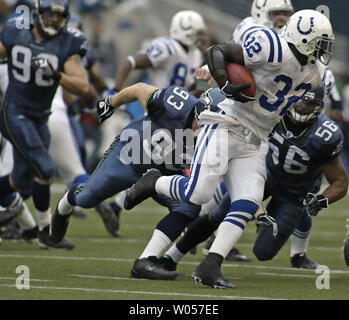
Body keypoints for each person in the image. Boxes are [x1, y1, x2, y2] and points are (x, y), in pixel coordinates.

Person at [124, 9, 335, 288]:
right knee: (197, 194)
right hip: (225, 123)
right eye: (320, 42)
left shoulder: (316, 73)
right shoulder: (271, 46)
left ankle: (211, 264)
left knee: (247, 201)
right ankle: (155, 181)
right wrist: (225, 82)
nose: (323, 50)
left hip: (256, 138)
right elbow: (218, 51)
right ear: (305, 38)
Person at [153, 86, 348, 277]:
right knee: (219, 214)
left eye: (310, 104)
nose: (303, 107)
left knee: (263, 253)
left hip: (294, 194)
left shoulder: (326, 135)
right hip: (265, 175)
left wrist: (321, 200)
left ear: (320, 107)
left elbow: (340, 182)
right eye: (301, 101)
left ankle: (297, 253)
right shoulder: (273, 115)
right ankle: (172, 256)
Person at [49, 82, 206, 279]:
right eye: (202, 123)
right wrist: (110, 102)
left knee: (188, 206)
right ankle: (65, 205)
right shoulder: (177, 104)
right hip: (128, 157)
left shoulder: (219, 137)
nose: (202, 130)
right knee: (86, 198)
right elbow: (140, 89)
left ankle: (145, 261)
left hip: (164, 171)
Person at [106, 10, 208, 234]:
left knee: (161, 167)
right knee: (161, 167)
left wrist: (198, 92)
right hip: (158, 113)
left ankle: (115, 205)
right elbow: (130, 61)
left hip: (178, 117)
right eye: (197, 32)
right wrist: (116, 91)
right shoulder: (166, 46)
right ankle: (184, 219)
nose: (201, 37)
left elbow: (188, 89)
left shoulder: (194, 55)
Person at [0, 0, 89, 249]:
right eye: (49, 15)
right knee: (46, 169)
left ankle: (38, 231)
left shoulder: (66, 42)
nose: (53, 21)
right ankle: (45, 233)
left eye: (58, 17)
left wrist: (57, 74)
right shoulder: (15, 32)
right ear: (38, 14)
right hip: (14, 112)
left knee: (18, 181)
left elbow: (82, 85)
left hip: (41, 117)